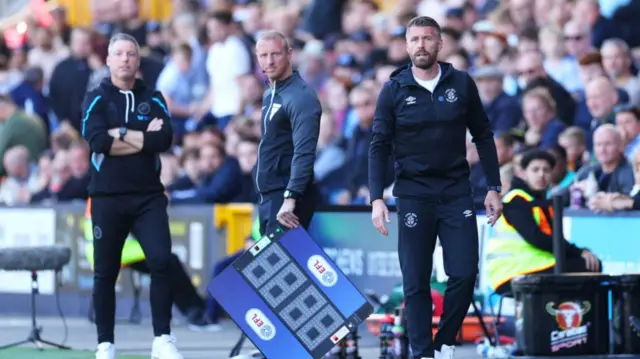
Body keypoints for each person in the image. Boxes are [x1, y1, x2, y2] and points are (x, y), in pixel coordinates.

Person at [368, 16, 503, 359]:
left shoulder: (461, 82)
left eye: (428, 39)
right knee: (415, 281)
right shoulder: (394, 89)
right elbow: (378, 146)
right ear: (407, 45)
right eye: (415, 39)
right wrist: (375, 198)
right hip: (413, 194)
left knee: (464, 273)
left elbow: (483, 136)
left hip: (456, 191)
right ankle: (423, 353)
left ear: (440, 44)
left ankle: (443, 342)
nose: (421, 45)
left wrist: (493, 186)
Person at [81, 33, 182, 359]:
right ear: (109, 60)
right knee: (105, 271)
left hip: (148, 197)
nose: (125, 59)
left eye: (131, 54)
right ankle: (105, 344)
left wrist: (120, 134)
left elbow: (164, 139)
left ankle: (162, 340)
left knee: (161, 261)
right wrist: (139, 136)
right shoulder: (96, 98)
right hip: (107, 197)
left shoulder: (153, 98)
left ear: (138, 61)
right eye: (119, 54)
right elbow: (98, 141)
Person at [82, 198, 217, 332]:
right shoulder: (112, 191)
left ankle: (198, 309)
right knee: (167, 262)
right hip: (115, 248)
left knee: (167, 262)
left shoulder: (105, 188)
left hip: (110, 246)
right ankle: (196, 313)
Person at [486, 150, 601, 295]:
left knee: (591, 263)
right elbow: (537, 238)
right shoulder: (516, 199)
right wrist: (579, 252)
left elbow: (554, 239)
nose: (541, 174)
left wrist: (581, 251)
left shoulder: (539, 200)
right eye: (535, 170)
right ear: (523, 173)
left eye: (546, 170)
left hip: (533, 266)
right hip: (511, 273)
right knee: (587, 265)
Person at [253, 30, 321, 234]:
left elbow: (305, 151)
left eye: (275, 54)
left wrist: (291, 197)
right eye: (263, 56)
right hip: (269, 195)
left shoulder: (301, 97)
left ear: (289, 54)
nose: (270, 61)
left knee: (278, 263)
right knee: (275, 263)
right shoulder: (269, 94)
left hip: (287, 197)